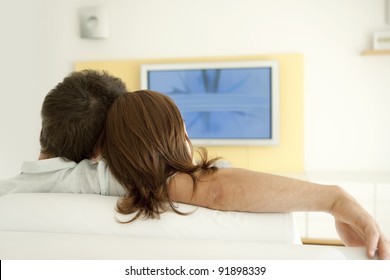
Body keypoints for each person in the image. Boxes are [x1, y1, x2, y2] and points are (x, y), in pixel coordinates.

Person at [0, 71, 388, 259]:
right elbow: (211, 188)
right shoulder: (100, 180)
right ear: (103, 149)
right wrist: (334, 200)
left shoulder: (11, 197)